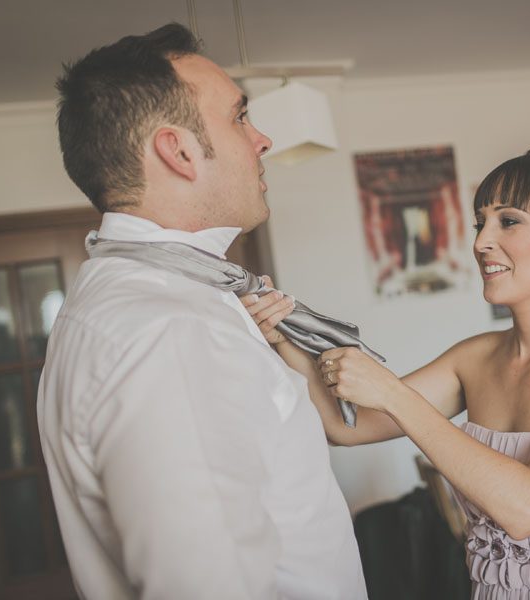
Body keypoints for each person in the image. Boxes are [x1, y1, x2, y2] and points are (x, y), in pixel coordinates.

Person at [244, 137, 530, 598]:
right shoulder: (476, 357)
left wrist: (393, 392)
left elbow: (525, 508)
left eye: (508, 222)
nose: (482, 242)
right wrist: (285, 337)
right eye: (480, 223)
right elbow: (346, 428)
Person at [37, 23, 366, 599]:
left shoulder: (153, 299)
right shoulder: (168, 328)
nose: (262, 140)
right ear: (179, 150)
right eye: (241, 116)